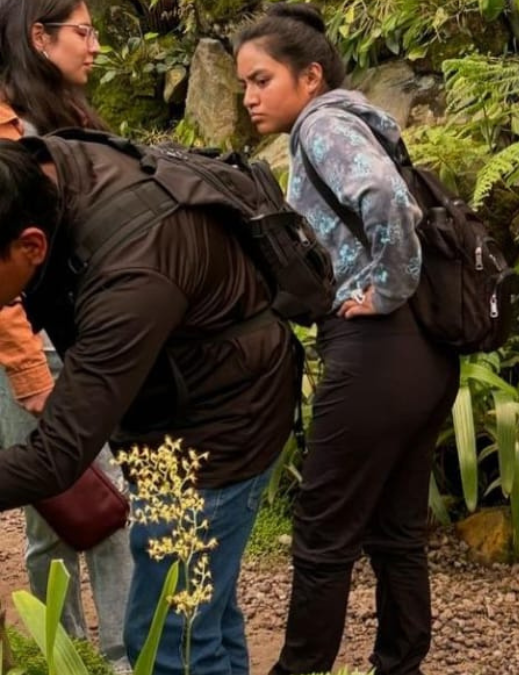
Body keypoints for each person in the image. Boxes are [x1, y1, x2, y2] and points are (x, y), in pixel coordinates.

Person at [0, 130, 300, 674]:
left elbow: (56, 457)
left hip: (219, 431)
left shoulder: (132, 273)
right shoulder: (40, 168)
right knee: (203, 616)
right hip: (191, 395)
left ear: (31, 246)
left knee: (167, 642)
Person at [234, 5, 459, 674]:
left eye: (261, 79)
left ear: (309, 76)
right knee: (396, 532)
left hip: (378, 346)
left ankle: (299, 668)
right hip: (423, 352)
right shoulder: (363, 122)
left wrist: (385, 288)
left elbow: (386, 200)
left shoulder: (323, 124)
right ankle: (400, 663)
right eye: (243, 82)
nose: (248, 97)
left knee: (323, 530)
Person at [0, 2, 132, 671]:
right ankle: (72, 650)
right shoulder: (3, 128)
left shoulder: (71, 118)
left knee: (100, 503)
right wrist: (30, 376)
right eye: (83, 32)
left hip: (81, 340)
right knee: (59, 507)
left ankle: (115, 651)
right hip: (29, 349)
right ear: (38, 36)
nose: (96, 46)